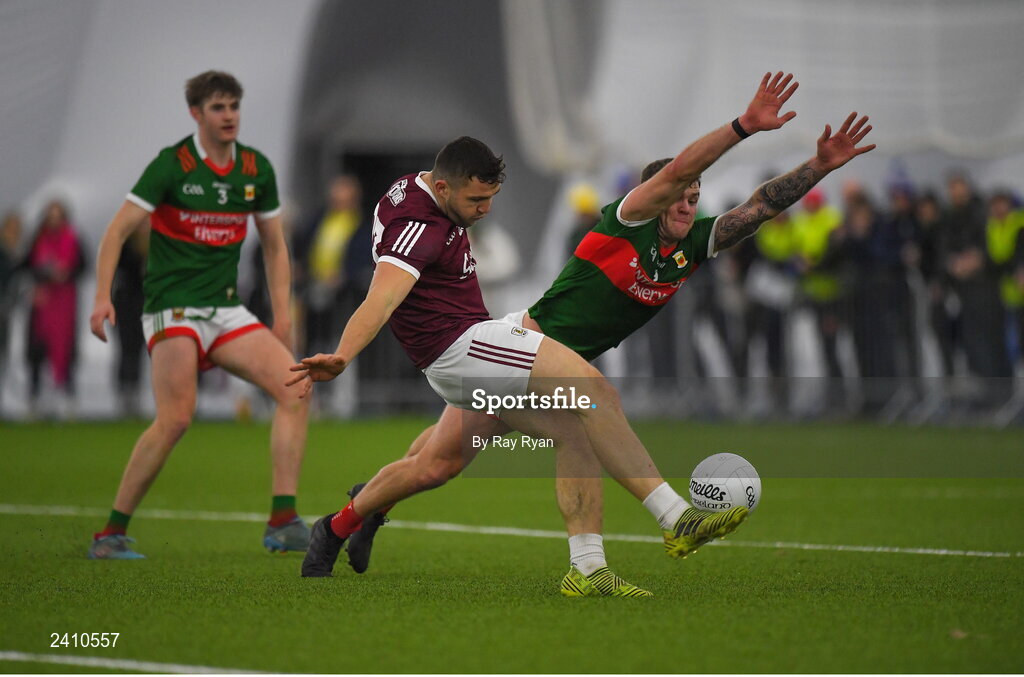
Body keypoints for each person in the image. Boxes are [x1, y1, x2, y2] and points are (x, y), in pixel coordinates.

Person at [290, 73, 874, 595]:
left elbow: (759, 207)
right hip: (504, 345)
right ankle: (677, 520)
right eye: (681, 194)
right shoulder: (630, 218)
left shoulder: (694, 244)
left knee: (442, 463)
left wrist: (817, 168)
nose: (688, 202)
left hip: (499, 352)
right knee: (594, 395)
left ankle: (349, 521)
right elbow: (384, 293)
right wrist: (743, 126)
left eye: (696, 198)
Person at [87, 71, 311, 559]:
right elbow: (116, 232)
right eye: (217, 108)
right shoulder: (172, 165)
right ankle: (110, 534)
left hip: (224, 309)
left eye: (233, 106)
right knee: (176, 418)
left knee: (296, 387)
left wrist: (283, 315)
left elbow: (275, 246)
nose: (229, 115)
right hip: (173, 308)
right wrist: (102, 296)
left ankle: (283, 520)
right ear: (196, 113)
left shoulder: (255, 168)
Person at [25, 200, 86, 419]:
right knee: (37, 350)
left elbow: (83, 266)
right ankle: (35, 399)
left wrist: (65, 273)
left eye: (57, 215)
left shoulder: (74, 239)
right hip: (42, 305)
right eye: (50, 215)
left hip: (65, 304)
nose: (54, 220)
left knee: (66, 350)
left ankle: (67, 398)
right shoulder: (37, 240)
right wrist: (42, 276)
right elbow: (27, 266)